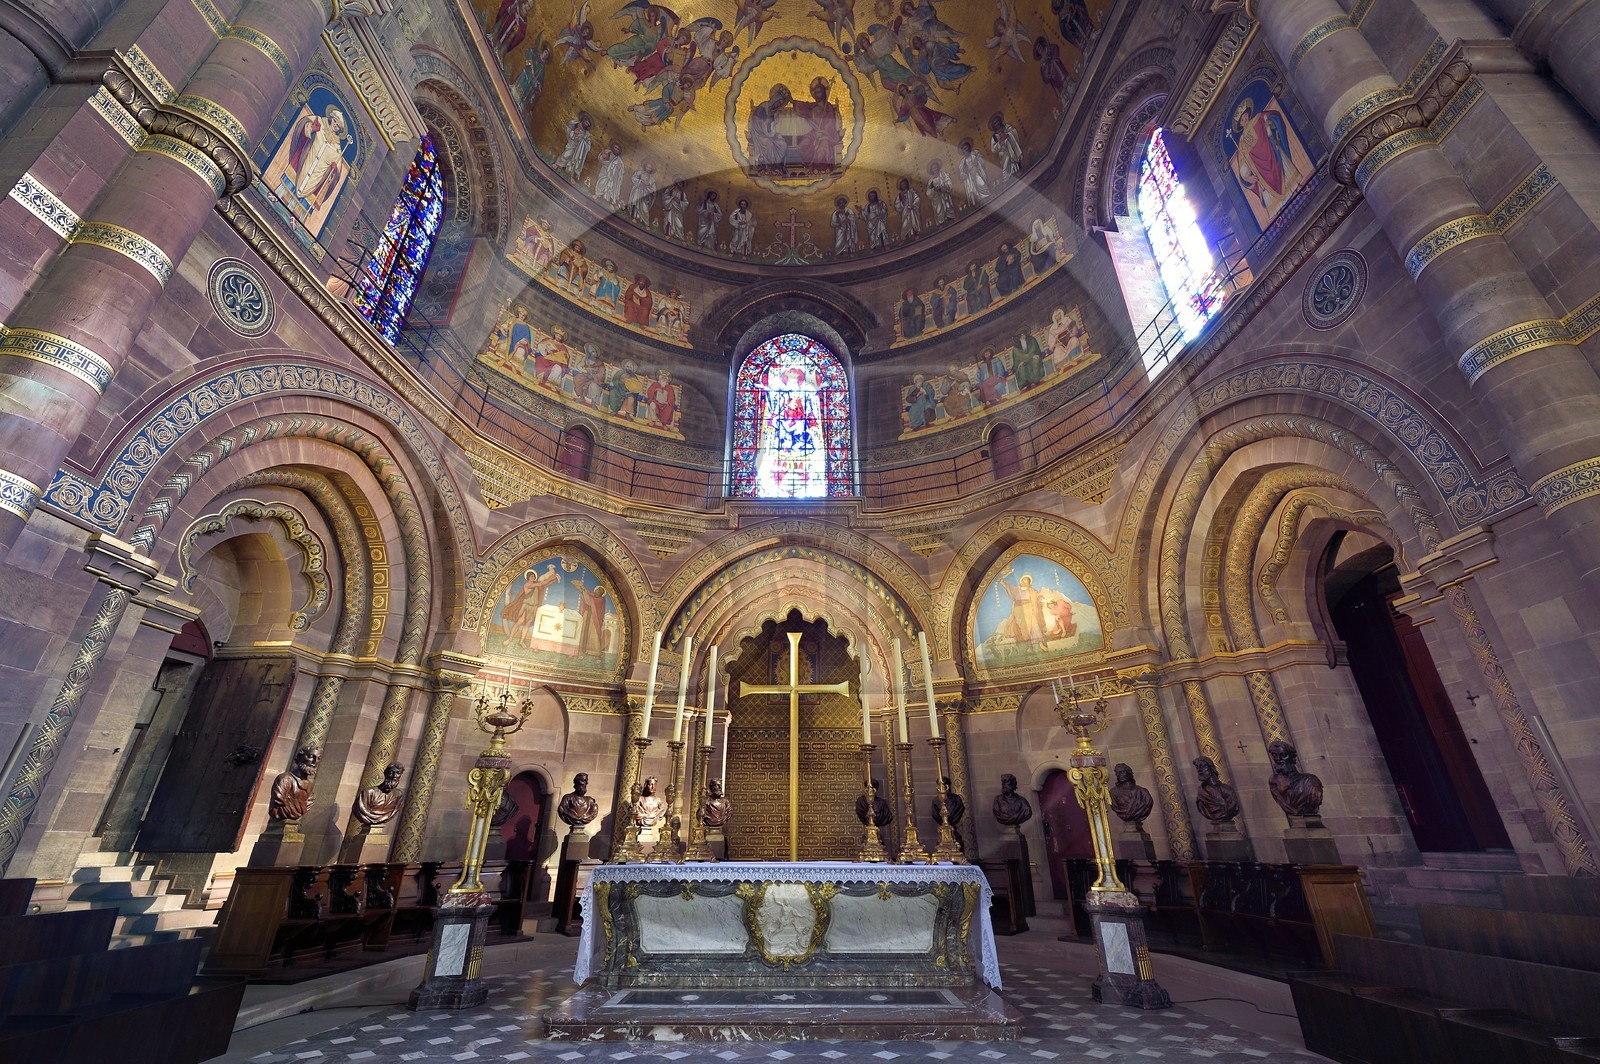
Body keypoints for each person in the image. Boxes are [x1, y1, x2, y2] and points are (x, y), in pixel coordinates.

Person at [1267, 740, 1325, 817]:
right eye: (1274, 755)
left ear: (1292, 757)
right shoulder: (1274, 782)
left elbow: (1315, 799)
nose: (1278, 759)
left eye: (1283, 755)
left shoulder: (1310, 780)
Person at [996, 567, 1048, 651]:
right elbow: (1008, 587)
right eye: (1023, 581)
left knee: (1035, 625)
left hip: (1029, 609)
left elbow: (1038, 597)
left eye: (1026, 581)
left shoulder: (1032, 591)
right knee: (1024, 629)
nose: (1025, 582)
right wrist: (1001, 582)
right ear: (1021, 582)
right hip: (1019, 611)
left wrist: (1044, 600)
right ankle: (1029, 646)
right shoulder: (1017, 589)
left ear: (1029, 582)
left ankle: (1041, 644)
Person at [269, 746, 321, 821]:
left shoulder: (310, 785)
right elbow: (278, 802)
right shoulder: (285, 779)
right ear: (300, 757)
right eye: (310, 756)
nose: (314, 761)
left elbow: (308, 803)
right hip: (281, 818)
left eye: (318, 758)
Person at [1194, 756, 1242, 823]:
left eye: (1202, 766)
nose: (1199, 770)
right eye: (1197, 767)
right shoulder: (1201, 792)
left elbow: (1234, 806)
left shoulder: (1227, 790)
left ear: (1211, 768)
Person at [927, 159, 957, 225]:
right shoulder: (931, 181)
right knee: (939, 210)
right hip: (937, 199)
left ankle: (952, 217)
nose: (935, 169)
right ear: (931, 170)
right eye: (933, 168)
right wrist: (934, 189)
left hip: (944, 194)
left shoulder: (943, 174)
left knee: (948, 206)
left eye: (935, 167)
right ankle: (941, 223)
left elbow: (948, 181)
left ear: (938, 167)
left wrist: (945, 186)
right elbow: (928, 192)